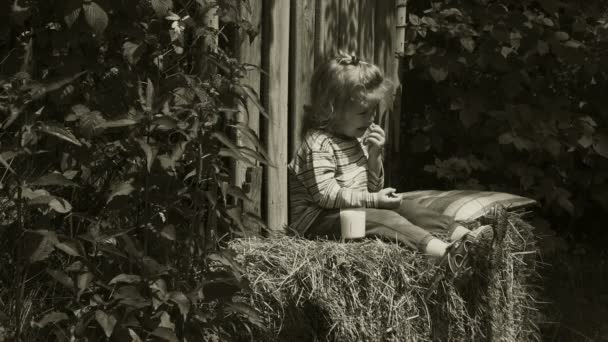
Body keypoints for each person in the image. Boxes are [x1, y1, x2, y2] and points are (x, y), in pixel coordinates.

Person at [287, 51, 492, 271]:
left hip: (349, 214)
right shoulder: (318, 144)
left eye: (374, 111)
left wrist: (374, 158)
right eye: (364, 112)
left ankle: (468, 238)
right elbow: (327, 196)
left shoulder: (353, 140)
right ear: (332, 110)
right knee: (384, 218)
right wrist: (375, 200)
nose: (371, 119)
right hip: (319, 222)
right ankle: (444, 255)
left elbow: (370, 189)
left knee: (406, 207)